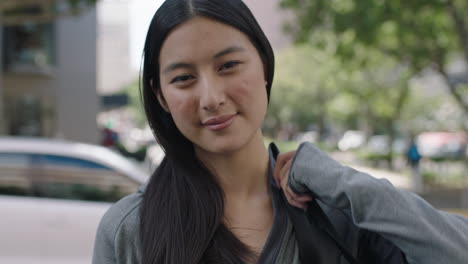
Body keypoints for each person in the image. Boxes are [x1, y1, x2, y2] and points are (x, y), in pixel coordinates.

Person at [92, 0, 468, 263]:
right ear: (160, 95)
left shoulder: (335, 210)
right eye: (184, 78)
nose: (211, 98)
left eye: (229, 66)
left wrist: (342, 182)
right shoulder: (131, 229)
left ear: (264, 67)